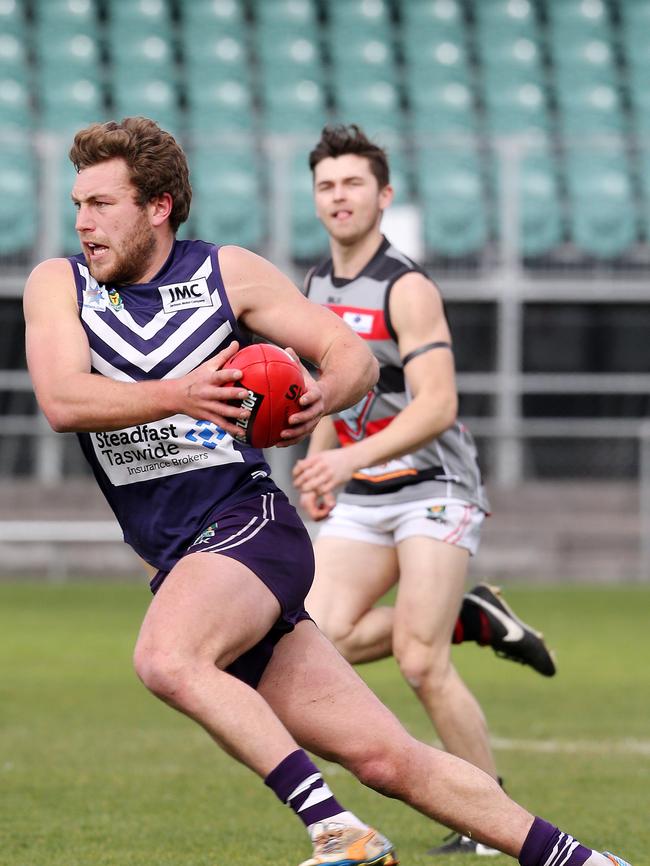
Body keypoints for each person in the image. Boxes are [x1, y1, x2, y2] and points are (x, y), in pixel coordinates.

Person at [23, 117, 630, 866]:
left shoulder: (226, 274)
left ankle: (336, 831)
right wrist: (180, 393)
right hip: (180, 561)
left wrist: (319, 394)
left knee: (168, 658)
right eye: (78, 204)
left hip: (247, 527)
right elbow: (63, 400)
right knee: (386, 759)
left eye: (102, 204)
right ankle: (585, 861)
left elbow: (353, 358)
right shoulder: (60, 284)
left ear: (159, 207)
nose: (83, 223)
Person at [292, 124, 553, 856]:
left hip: (435, 483)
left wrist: (345, 462)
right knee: (315, 640)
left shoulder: (407, 287)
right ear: (315, 200)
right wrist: (319, 464)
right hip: (362, 490)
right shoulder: (315, 286)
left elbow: (437, 405)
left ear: (385, 195)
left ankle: (485, 818)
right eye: (326, 186)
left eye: (352, 183)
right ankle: (468, 618)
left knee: (417, 659)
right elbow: (328, 392)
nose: (338, 196)